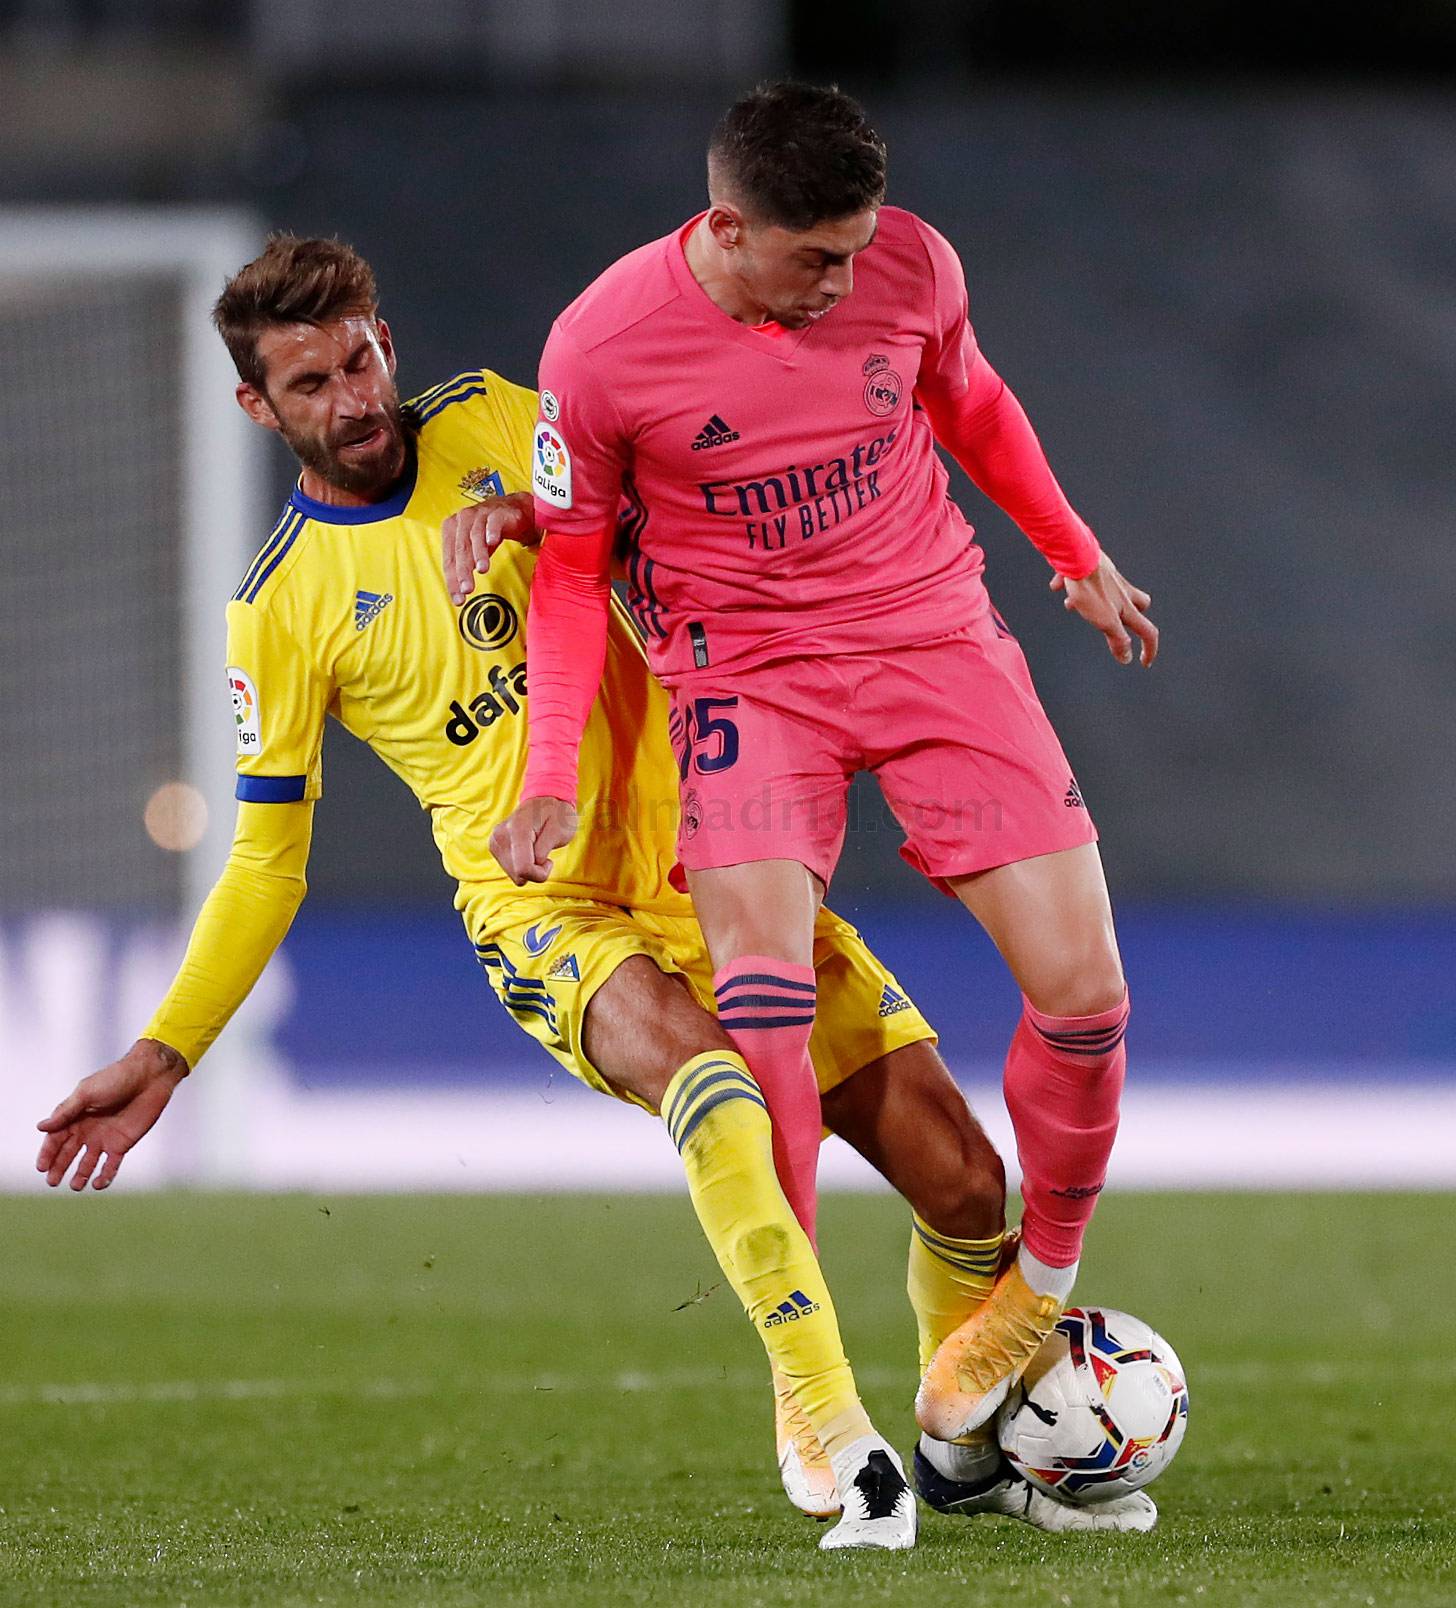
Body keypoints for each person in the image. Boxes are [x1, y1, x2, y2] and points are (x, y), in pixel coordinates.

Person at [32, 236, 1146, 1548]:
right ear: (258, 408)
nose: (356, 394)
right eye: (313, 381)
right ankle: (819, 1415)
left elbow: (648, 527)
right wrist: (169, 1050)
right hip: (548, 917)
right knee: (716, 1090)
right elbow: (270, 858)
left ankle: (960, 1454)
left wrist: (557, 524)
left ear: (387, 338)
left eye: (364, 355)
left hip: (714, 856)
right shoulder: (279, 610)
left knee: (966, 1188)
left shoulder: (501, 416)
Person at [492, 81, 1159, 1522]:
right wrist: (551, 770)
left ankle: (1037, 1283)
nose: (849, 281)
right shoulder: (599, 347)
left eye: (860, 251)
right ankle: (816, 1397)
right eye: (817, 259)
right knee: (764, 1014)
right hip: (746, 677)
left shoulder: (912, 263)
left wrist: (1073, 549)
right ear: (727, 228)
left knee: (1089, 997)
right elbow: (564, 562)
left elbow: (971, 404)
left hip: (931, 637)